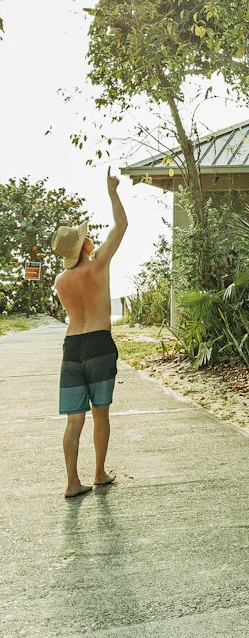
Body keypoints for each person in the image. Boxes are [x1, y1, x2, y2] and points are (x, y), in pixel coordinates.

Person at [51, 170, 128, 499]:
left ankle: (71, 482)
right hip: (98, 343)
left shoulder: (60, 281)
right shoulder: (97, 265)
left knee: (73, 421)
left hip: (72, 347)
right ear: (84, 244)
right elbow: (121, 226)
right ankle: (98, 473)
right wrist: (112, 193)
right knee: (100, 414)